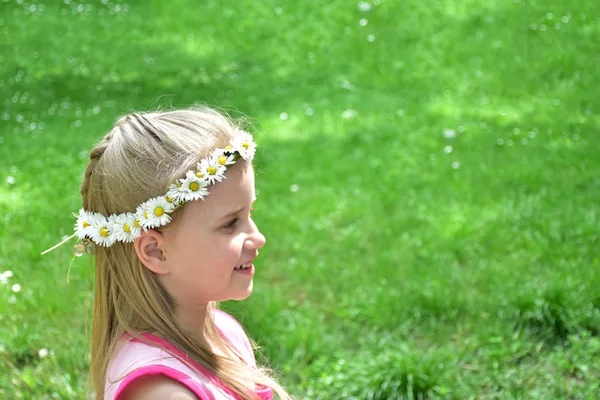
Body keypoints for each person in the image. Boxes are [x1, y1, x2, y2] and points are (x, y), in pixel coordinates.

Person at [67, 107, 291, 399]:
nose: (257, 237)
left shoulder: (222, 331)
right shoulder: (162, 391)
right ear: (155, 251)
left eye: (251, 212)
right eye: (230, 224)